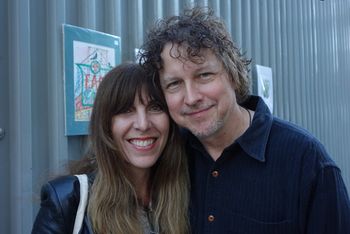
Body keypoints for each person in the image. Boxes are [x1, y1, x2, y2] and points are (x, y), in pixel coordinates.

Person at [139, 7, 350, 234]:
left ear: (232, 73)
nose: (191, 98)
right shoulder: (166, 154)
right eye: (174, 84)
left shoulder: (307, 161)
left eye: (204, 75)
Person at [32, 63, 190, 234]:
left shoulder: (188, 193)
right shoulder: (67, 200)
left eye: (155, 108)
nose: (143, 124)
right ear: (106, 125)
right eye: (126, 110)